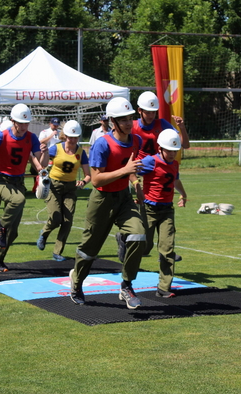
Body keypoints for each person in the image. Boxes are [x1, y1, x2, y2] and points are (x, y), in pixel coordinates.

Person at [68, 97, 146, 309]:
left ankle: (126, 285)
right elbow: (96, 179)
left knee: (139, 234)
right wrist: (125, 171)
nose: (129, 122)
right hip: (101, 200)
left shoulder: (136, 140)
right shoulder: (102, 144)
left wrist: (136, 183)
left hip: (124, 197)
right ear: (113, 121)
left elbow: (130, 168)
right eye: (123, 119)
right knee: (89, 250)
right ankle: (76, 283)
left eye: (130, 117)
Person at [0, 103, 49, 273]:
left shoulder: (31, 138)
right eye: (21, 123)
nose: (24, 126)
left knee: (13, 233)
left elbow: (40, 166)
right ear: (13, 121)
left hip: (17, 183)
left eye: (26, 123)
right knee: (17, 201)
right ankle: (0, 226)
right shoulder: (2, 135)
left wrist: (45, 152)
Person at [120, 91, 189, 262]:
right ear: (139, 111)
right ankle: (125, 237)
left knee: (164, 207)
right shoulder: (133, 126)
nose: (151, 115)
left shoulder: (163, 124)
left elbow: (184, 145)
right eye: (147, 111)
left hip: (160, 167)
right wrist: (135, 182)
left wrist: (181, 127)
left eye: (153, 111)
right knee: (144, 224)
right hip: (140, 171)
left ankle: (166, 251)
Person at [136, 129, 187, 297]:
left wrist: (183, 194)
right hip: (149, 209)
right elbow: (131, 172)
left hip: (166, 210)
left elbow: (175, 180)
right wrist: (136, 191)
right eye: (169, 150)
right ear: (160, 149)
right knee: (145, 247)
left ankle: (164, 287)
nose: (172, 154)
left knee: (167, 247)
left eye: (175, 150)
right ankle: (124, 240)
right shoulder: (150, 161)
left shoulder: (174, 164)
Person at [37, 120, 91, 261]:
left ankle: (57, 252)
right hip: (54, 186)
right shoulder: (56, 148)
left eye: (75, 137)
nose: (73, 140)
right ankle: (44, 233)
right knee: (55, 218)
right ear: (65, 136)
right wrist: (44, 153)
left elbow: (88, 175)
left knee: (67, 221)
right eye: (70, 137)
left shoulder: (81, 152)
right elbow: (43, 165)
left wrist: (83, 182)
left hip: (71, 188)